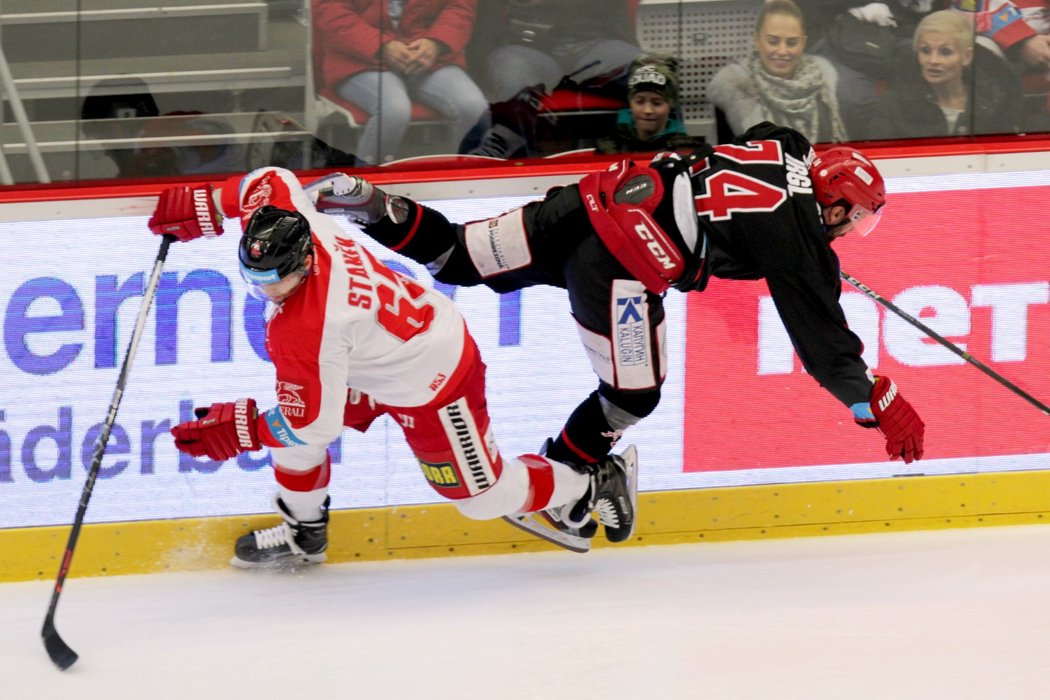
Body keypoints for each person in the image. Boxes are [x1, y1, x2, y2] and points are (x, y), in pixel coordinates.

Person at [327, 120, 925, 538]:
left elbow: (755, 162)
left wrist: (803, 251)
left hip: (595, 201)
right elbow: (823, 349)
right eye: (858, 222)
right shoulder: (800, 247)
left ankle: (368, 204)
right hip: (620, 267)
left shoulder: (789, 146)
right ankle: (567, 484)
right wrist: (871, 399)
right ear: (839, 206)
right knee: (633, 394)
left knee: (459, 255)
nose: (851, 234)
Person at [144, 166, 637, 567]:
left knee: (480, 498)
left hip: (434, 379)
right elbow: (267, 179)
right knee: (297, 433)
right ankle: (305, 530)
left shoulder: (307, 326)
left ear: (303, 262)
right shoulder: (297, 221)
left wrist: (244, 430)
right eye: (254, 279)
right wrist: (209, 204)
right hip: (373, 352)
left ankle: (591, 481)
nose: (265, 292)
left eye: (276, 280)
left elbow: (313, 420)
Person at [312, 0, 490, 164]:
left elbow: (459, 8)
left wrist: (436, 42)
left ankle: (465, 186)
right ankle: (364, 189)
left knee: (474, 108)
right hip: (358, 58)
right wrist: (380, 45)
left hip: (430, 55)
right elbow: (332, 13)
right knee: (393, 109)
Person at [708, 0, 849, 143]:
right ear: (757, 40)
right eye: (773, 41)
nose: (782, 51)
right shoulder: (734, 87)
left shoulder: (824, 81)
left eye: (792, 43)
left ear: (803, 43)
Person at [869, 10, 1024, 137]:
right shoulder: (892, 106)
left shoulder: (996, 103)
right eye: (925, 50)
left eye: (945, 52)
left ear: (966, 57)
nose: (933, 60)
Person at [475, 0, 643, 103]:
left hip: (594, 45)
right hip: (525, 47)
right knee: (514, 79)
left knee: (651, 76)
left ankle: (643, 155)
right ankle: (523, 158)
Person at [594, 55, 708, 155]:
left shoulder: (687, 151)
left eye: (657, 103)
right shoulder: (609, 149)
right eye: (639, 101)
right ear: (630, 102)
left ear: (670, 105)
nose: (647, 110)